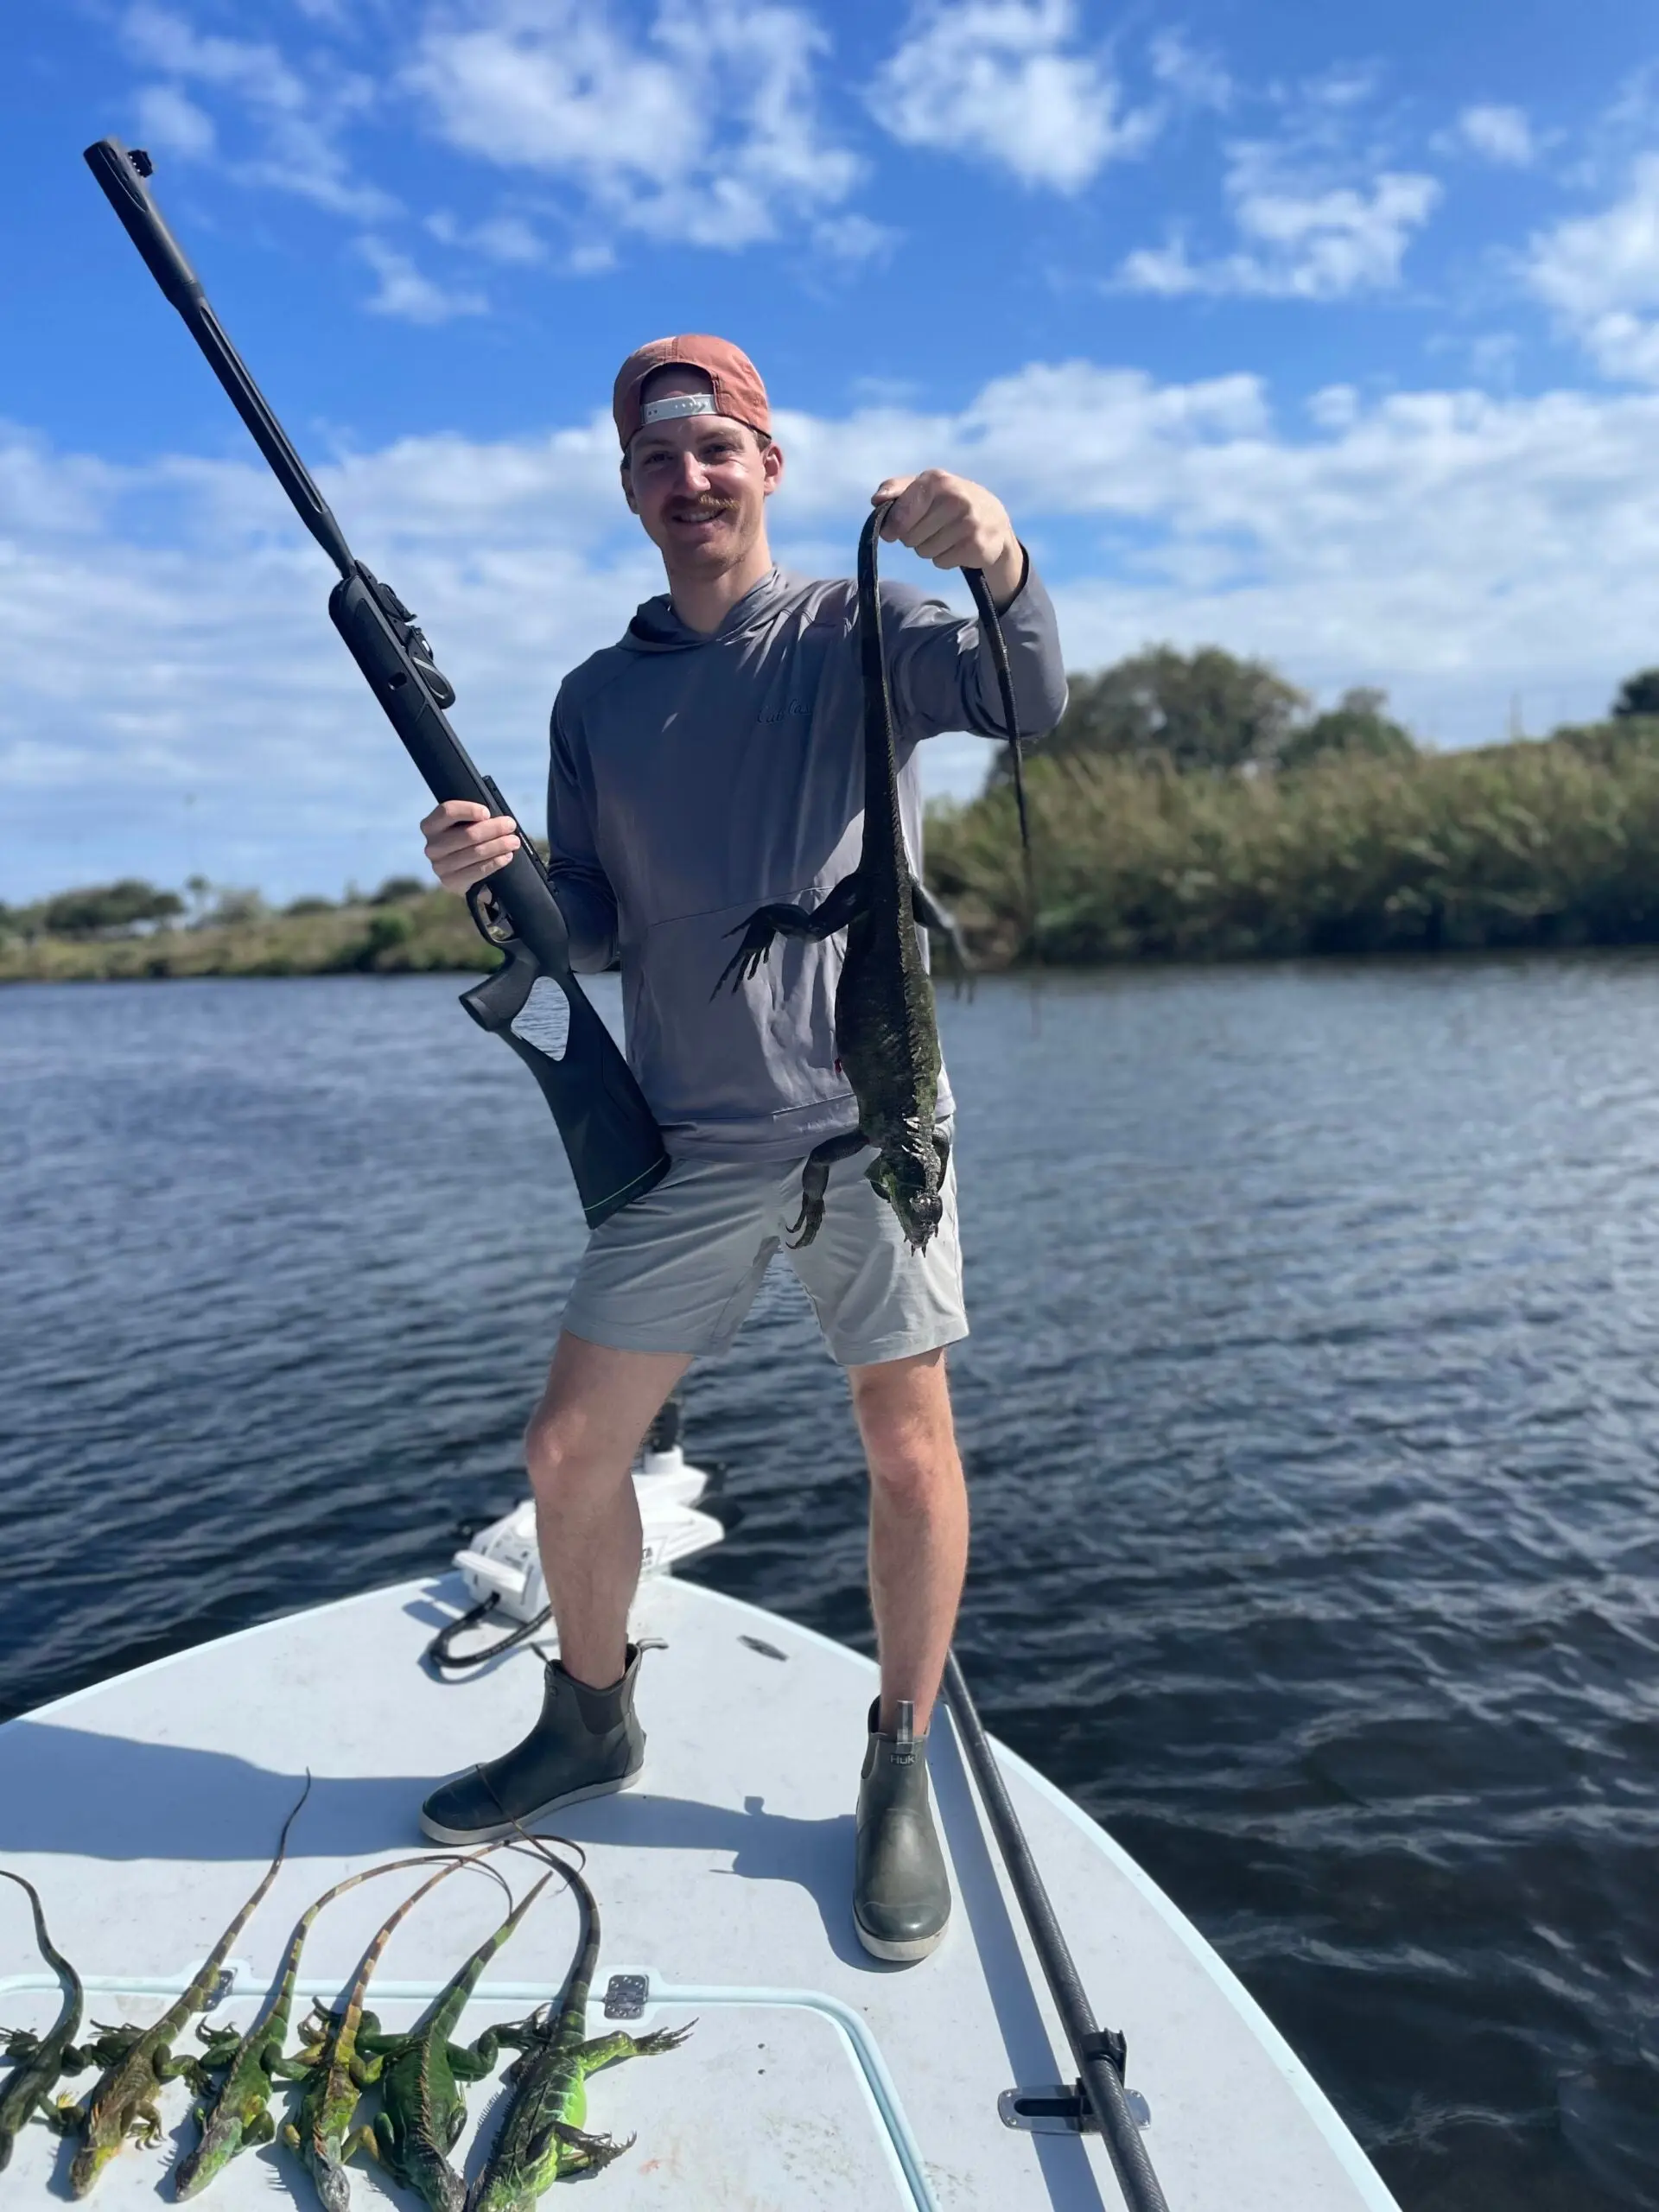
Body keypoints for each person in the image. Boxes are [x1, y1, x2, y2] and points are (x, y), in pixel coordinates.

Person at [416, 335, 1066, 1962]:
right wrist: (497, 876)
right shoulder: (598, 696)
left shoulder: (870, 630)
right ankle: (590, 1714)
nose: (689, 480)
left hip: (872, 1123)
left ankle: (898, 1758)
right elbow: (603, 923)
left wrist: (993, 550)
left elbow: (1025, 697)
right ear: (630, 490)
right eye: (656, 460)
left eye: (718, 451)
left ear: (769, 466)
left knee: (907, 1450)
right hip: (692, 1138)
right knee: (571, 1451)